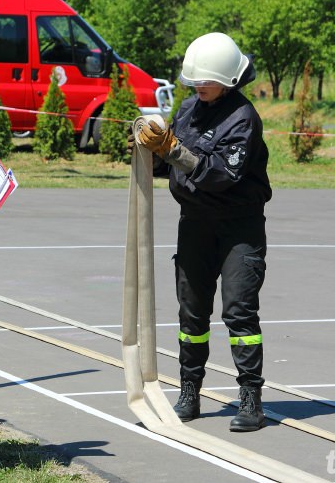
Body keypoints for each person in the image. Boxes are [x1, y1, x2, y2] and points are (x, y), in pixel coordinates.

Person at [131, 32, 272, 432]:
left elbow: (218, 175)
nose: (197, 86)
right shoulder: (190, 108)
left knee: (239, 313)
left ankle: (250, 398)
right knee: (191, 314)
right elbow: (170, 162)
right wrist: (148, 145)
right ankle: (189, 392)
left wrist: (173, 149)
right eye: (194, 81)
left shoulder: (243, 119)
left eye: (205, 81)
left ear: (228, 79)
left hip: (237, 230)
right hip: (194, 225)